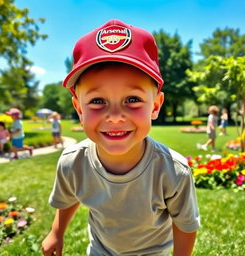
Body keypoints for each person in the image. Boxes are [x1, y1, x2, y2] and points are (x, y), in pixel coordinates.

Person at [42, 19, 200, 256]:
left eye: (132, 99)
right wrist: (56, 231)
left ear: (155, 105)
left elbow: (185, 224)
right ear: (79, 109)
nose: (115, 117)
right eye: (97, 101)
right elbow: (68, 197)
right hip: (100, 250)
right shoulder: (73, 162)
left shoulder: (172, 170)